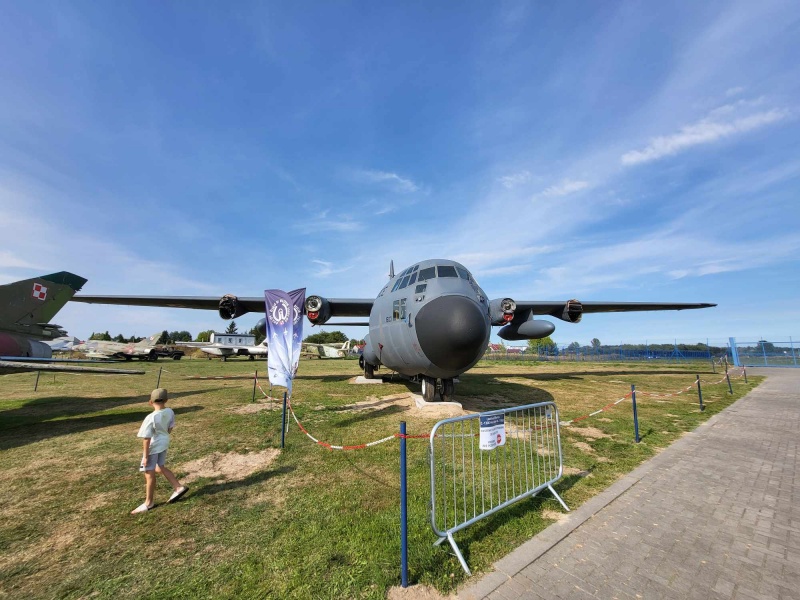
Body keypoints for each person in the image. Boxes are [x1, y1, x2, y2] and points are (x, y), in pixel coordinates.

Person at [131, 388, 188, 514]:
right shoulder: (170, 411)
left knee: (149, 472)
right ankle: (178, 487)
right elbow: (170, 427)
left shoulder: (150, 417)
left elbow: (146, 439)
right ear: (166, 400)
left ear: (150, 402)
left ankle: (149, 503)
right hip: (164, 442)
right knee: (159, 466)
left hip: (154, 446)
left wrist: (145, 457)